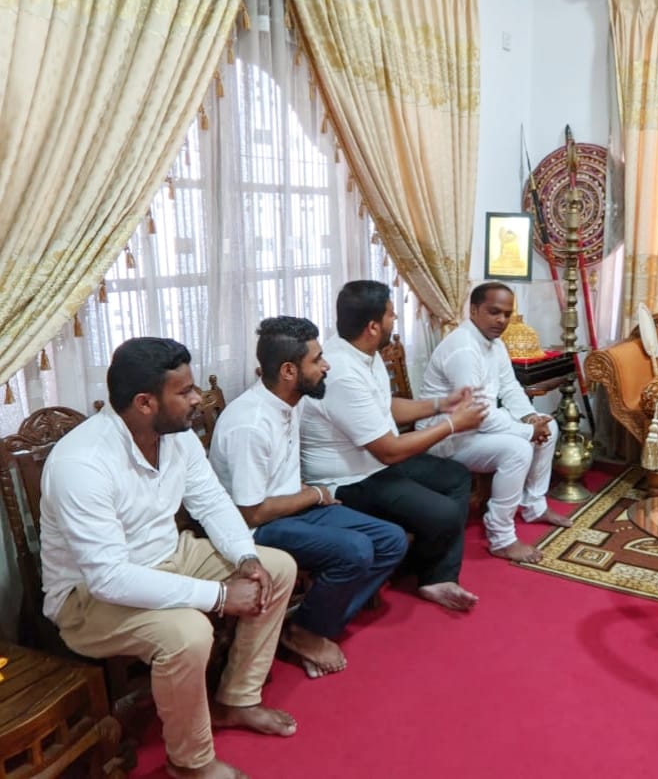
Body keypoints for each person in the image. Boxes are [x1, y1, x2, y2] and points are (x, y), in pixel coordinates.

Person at [40, 337, 297, 779]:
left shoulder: (173, 435)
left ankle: (237, 698)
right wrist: (218, 596)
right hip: (88, 598)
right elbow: (109, 579)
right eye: (185, 391)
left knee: (276, 567)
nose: (197, 399)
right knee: (189, 633)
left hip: (171, 555)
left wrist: (245, 558)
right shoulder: (81, 463)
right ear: (144, 402)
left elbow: (212, 502)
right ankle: (190, 763)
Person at [209, 317, 408, 679]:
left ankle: (303, 626)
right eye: (317, 360)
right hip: (257, 529)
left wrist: (313, 496)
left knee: (391, 540)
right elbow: (252, 513)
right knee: (356, 550)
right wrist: (317, 494)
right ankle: (307, 632)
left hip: (295, 508)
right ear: (289, 370)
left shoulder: (292, 399)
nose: (326, 365)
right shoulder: (250, 424)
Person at [299, 280, 488, 611]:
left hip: (374, 464)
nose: (395, 320)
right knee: (443, 513)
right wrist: (454, 424)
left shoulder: (363, 353)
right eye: (390, 315)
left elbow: (384, 407)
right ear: (373, 326)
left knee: (456, 476)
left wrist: (443, 404)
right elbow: (389, 449)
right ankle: (415, 567)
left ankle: (435, 575)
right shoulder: (341, 371)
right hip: (347, 481)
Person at [417, 282, 568, 563]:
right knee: (518, 449)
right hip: (444, 437)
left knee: (550, 424)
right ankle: (501, 537)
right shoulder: (463, 349)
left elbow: (509, 387)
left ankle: (534, 505)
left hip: (472, 429)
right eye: (494, 312)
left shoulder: (493, 342)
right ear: (474, 310)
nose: (502, 320)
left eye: (507, 314)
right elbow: (479, 413)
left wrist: (531, 418)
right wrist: (526, 431)